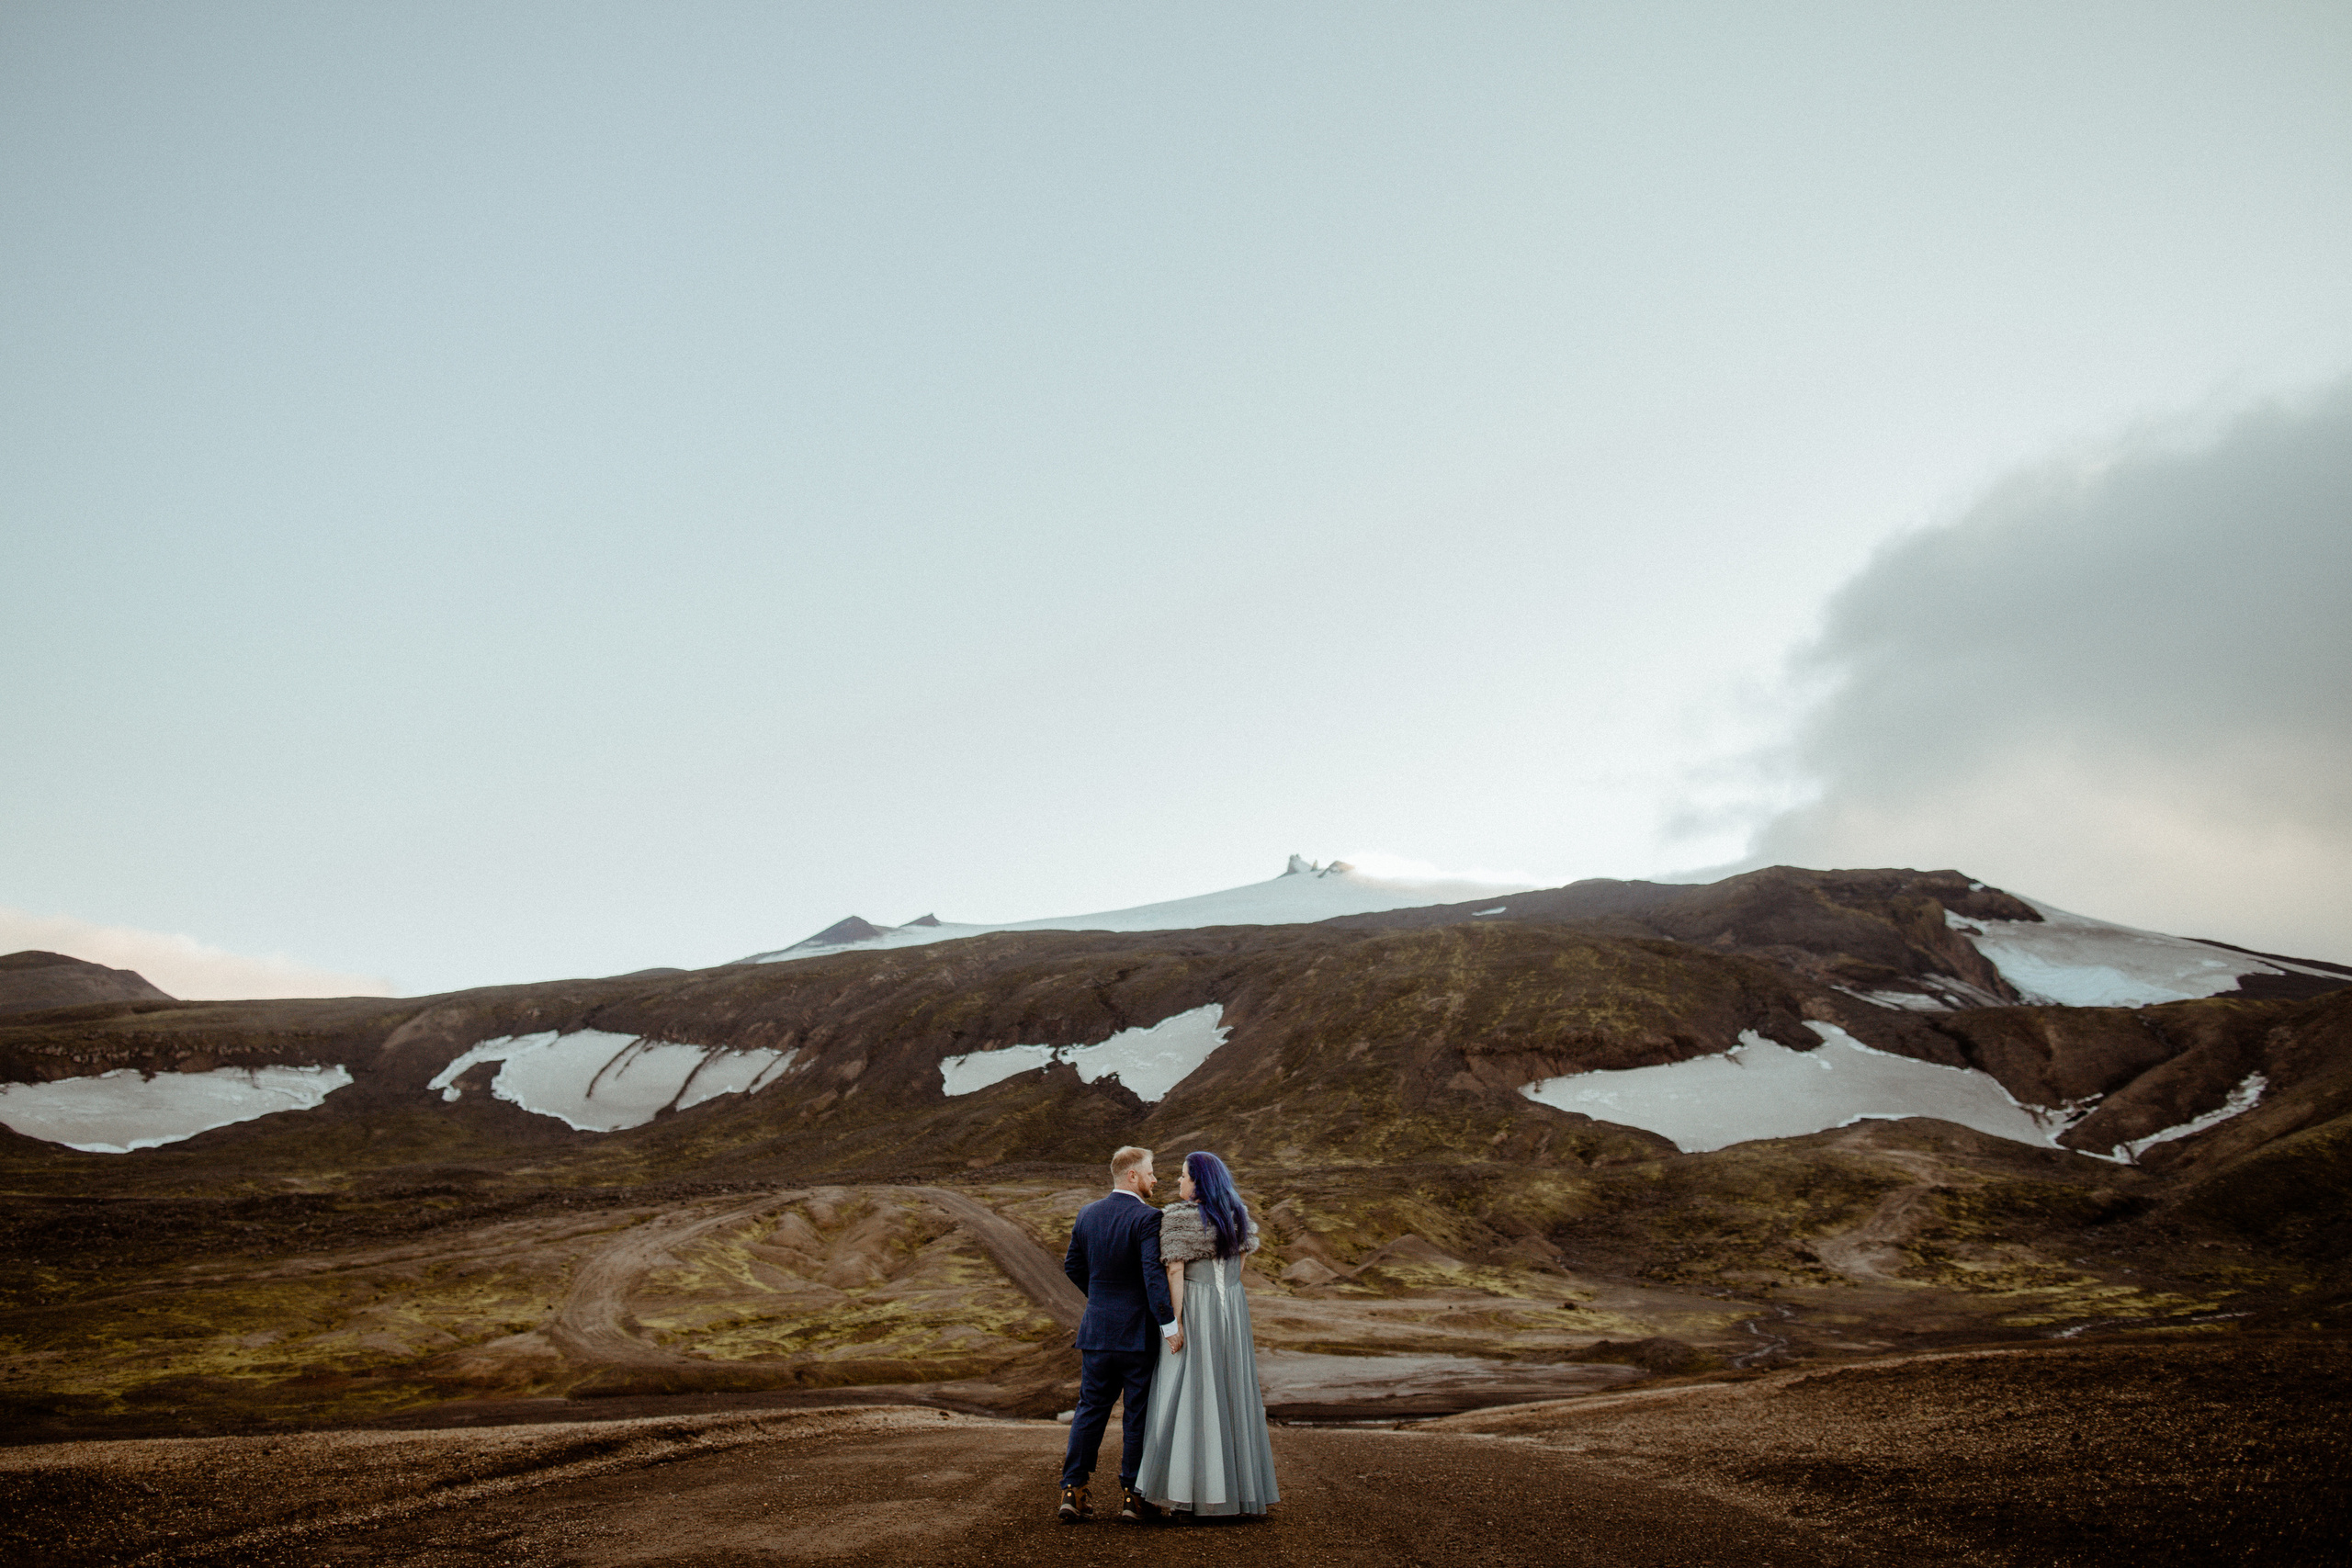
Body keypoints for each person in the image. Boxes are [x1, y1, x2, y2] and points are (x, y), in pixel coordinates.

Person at [1136, 1150, 1281, 1518]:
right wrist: (1224, 1294)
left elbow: (1174, 1272)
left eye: (1184, 1176)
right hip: (1231, 1310)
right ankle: (1237, 1493)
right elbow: (1240, 1264)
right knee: (1231, 1393)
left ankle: (1187, 1496)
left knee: (1189, 1395)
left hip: (1197, 1310)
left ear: (1199, 1183)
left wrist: (1175, 1322)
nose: (1179, 1181)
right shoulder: (1237, 1215)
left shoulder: (1178, 1218)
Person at [1058, 1144, 1179, 1525]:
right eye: (1150, 1172)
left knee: (1089, 1410)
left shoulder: (1087, 1213)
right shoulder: (1149, 1218)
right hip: (1137, 1335)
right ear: (1132, 1175)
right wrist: (1170, 1325)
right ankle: (1133, 1497)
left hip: (1097, 1330)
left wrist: (1101, 1300)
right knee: (1136, 1415)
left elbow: (1072, 1266)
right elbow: (1153, 1276)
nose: (1155, 1179)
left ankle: (1072, 1491)